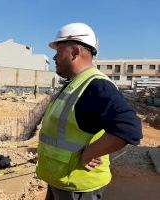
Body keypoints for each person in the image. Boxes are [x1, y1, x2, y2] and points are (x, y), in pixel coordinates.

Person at [36, 23, 142, 200]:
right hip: (60, 180)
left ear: (75, 52)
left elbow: (129, 128)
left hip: (78, 187)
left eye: (59, 51)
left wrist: (89, 153)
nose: (54, 57)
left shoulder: (97, 86)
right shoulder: (75, 83)